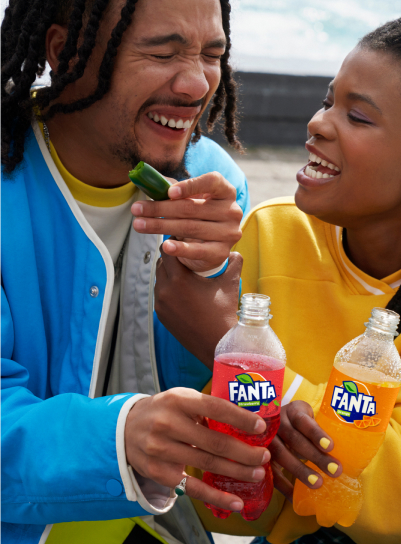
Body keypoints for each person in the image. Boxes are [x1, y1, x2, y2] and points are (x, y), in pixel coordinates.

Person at [153, 0, 401, 543]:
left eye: (357, 116)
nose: (317, 124)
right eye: (326, 101)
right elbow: (226, 479)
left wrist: (238, 350)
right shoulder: (270, 235)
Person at [2, 1, 335, 543]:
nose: (196, 84)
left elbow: (190, 395)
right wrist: (120, 435)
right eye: (163, 53)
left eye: (213, 54)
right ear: (62, 52)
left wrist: (210, 296)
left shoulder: (212, 180)